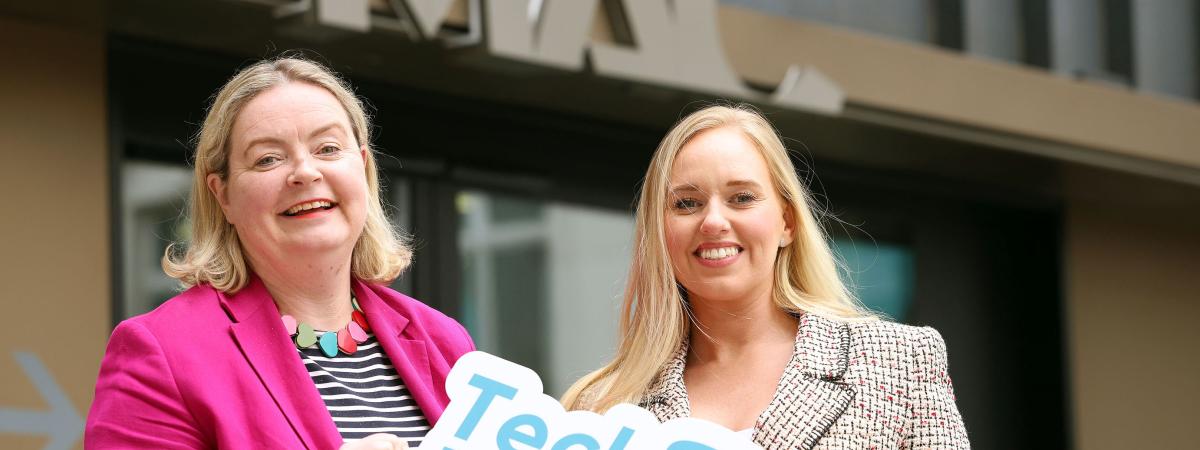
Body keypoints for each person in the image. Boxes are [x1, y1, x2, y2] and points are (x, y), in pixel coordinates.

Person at [85, 57, 474, 450]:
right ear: (223, 195)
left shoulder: (445, 341)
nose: (305, 172)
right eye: (268, 158)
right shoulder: (163, 353)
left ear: (363, 168)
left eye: (327, 147)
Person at [562, 105, 969, 449]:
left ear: (787, 222)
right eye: (687, 203)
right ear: (658, 232)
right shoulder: (600, 408)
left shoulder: (899, 361)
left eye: (742, 198)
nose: (713, 221)